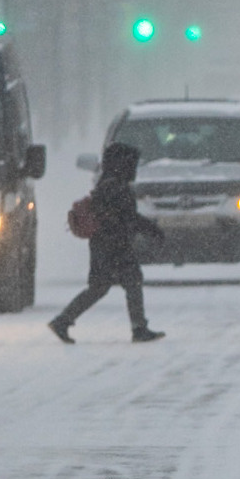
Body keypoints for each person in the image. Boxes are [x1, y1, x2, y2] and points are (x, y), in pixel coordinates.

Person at [49, 140, 163, 344]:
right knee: (130, 282)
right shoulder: (116, 186)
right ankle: (138, 328)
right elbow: (127, 217)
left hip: (104, 244)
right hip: (115, 245)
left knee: (100, 287)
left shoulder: (108, 182)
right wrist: (151, 229)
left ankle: (63, 321)